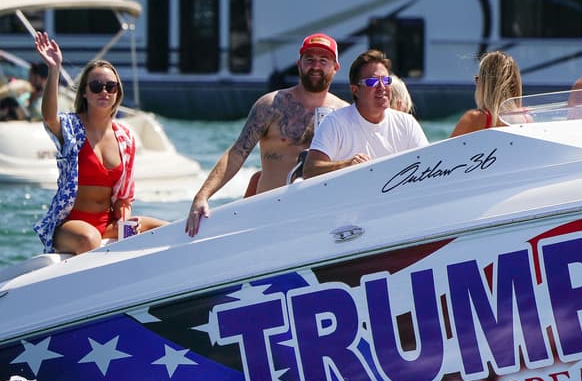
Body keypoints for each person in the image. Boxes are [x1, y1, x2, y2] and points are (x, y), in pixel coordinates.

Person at [186, 33, 348, 236]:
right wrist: (202, 196)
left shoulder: (344, 113)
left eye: (323, 60)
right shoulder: (271, 105)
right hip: (267, 215)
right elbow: (237, 153)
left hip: (316, 219)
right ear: (299, 64)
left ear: (335, 67)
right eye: (309, 59)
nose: (315, 66)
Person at [32, 31, 166, 254]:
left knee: (168, 230)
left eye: (110, 86)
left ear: (117, 92)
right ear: (84, 92)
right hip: (70, 227)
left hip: (107, 226)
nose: (104, 91)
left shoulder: (125, 138)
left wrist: (125, 225)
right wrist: (54, 69)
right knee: (89, 238)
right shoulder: (70, 127)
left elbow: (124, 198)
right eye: (96, 86)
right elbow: (48, 117)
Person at [302, 50, 428, 178]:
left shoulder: (407, 123)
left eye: (385, 80)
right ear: (355, 90)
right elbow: (309, 170)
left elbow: (429, 164)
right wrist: (346, 165)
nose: (381, 87)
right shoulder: (335, 122)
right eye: (372, 82)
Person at [450, 51, 523, 137]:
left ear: (485, 85)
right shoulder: (526, 119)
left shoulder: (474, 118)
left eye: (478, 79)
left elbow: (444, 150)